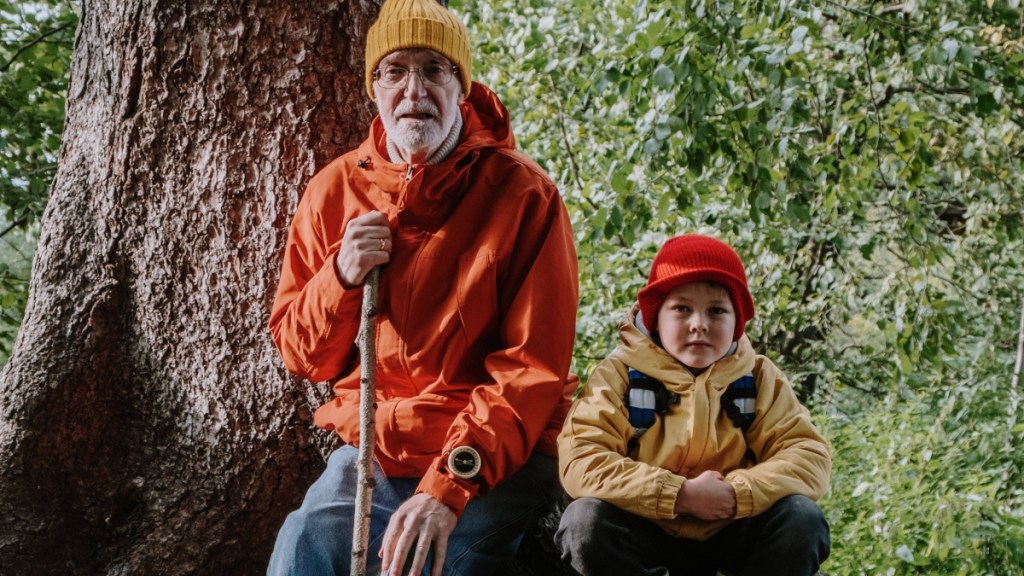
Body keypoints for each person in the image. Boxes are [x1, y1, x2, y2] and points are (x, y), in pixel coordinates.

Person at [265, 0, 579, 573]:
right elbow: (301, 353)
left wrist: (449, 485)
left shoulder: (524, 195)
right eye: (396, 70)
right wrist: (340, 277)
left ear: (461, 86)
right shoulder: (333, 191)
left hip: (494, 451)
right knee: (302, 546)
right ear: (373, 88)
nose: (414, 89)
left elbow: (531, 371)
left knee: (429, 565)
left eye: (434, 69)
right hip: (379, 449)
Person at [555, 234, 831, 576]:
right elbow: (581, 459)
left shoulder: (759, 377)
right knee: (585, 523)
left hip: (732, 528)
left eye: (717, 310)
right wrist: (679, 495)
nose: (699, 323)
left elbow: (807, 457)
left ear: (736, 323)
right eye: (682, 308)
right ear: (656, 317)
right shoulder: (619, 374)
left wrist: (736, 494)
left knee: (801, 519)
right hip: (646, 528)